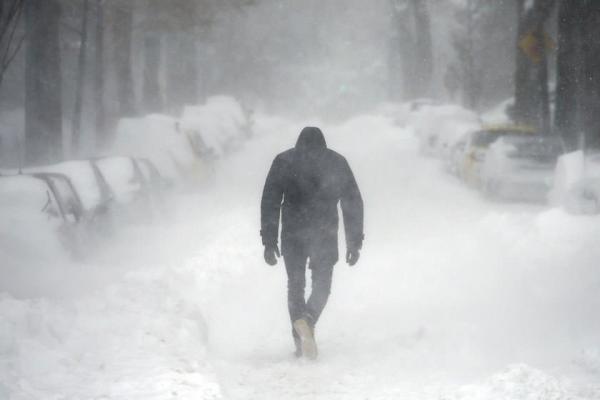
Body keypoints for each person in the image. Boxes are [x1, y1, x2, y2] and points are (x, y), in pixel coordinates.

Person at [260, 126, 364, 360]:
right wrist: (354, 241)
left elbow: (270, 201)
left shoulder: (284, 161)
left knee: (295, 285)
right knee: (322, 285)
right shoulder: (337, 162)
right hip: (324, 232)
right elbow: (352, 203)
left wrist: (269, 240)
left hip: (292, 232)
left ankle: (299, 338)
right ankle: (308, 319)